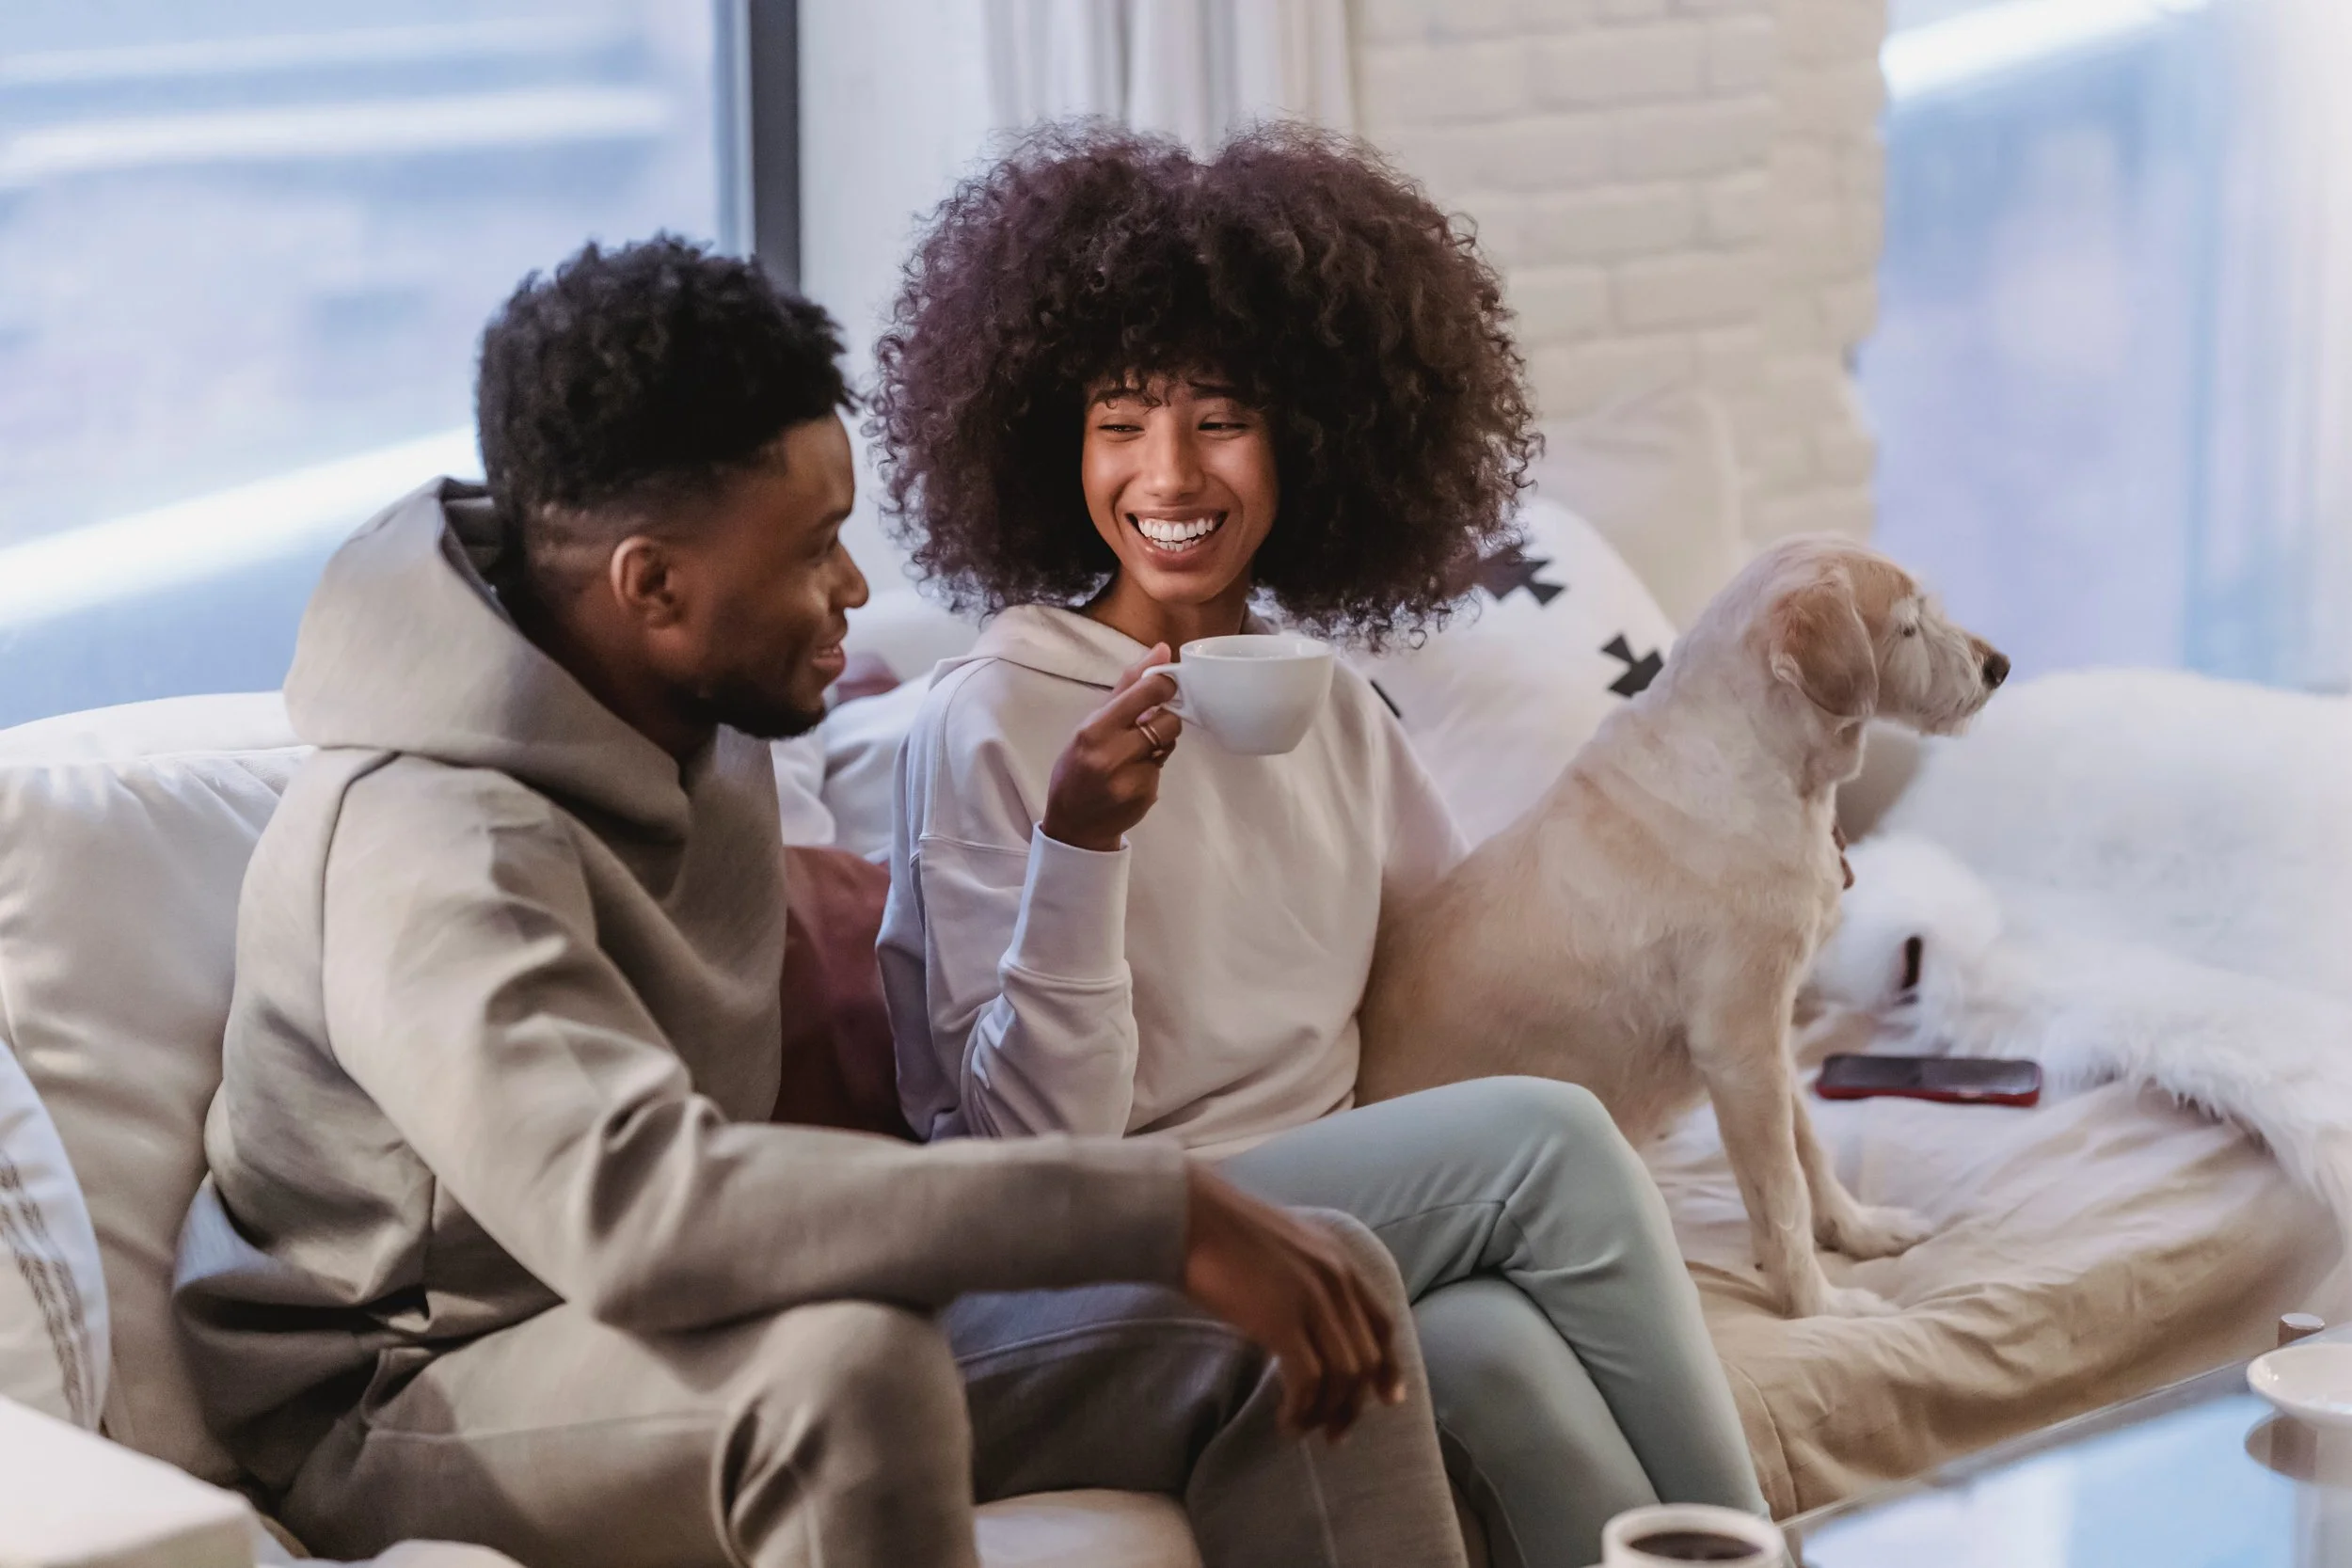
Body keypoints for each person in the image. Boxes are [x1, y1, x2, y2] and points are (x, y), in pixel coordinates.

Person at [171, 237, 1471, 1568]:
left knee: (1326, 1280)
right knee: (849, 1376)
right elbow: (638, 1211)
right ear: (653, 585)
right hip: (420, 1392)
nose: (857, 587)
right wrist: (1155, 1208)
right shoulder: (422, 845)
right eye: (816, 549)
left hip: (703, 1314)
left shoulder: (692, 701)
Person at [874, 125, 1772, 1567]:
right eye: (1119, 420)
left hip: (1332, 1212)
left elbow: (1468, 976)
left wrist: (1724, 860)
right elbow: (1039, 1152)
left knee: (1491, 1354)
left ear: (1310, 434)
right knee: (1547, 1147)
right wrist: (1082, 846)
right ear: (1056, 443)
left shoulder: (1338, 711)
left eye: (1219, 416)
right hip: (1092, 1245)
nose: (1168, 470)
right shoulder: (995, 714)